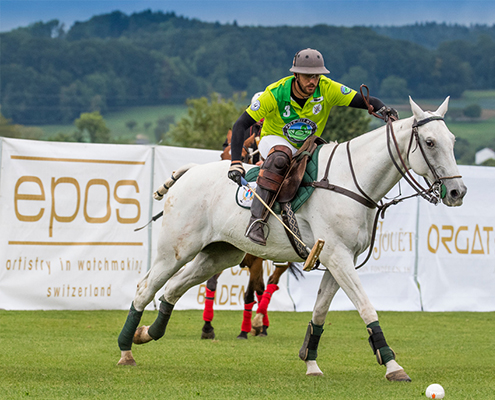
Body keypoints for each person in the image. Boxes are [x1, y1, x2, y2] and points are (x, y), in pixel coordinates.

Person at [227, 48, 398, 245]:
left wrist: (384, 109)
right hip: (274, 140)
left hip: (307, 145)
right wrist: (235, 163)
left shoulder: (327, 88)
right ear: (296, 75)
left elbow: (365, 101)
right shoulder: (275, 93)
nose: (313, 81)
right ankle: (256, 221)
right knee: (281, 156)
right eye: (308, 76)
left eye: (316, 76)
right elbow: (240, 125)